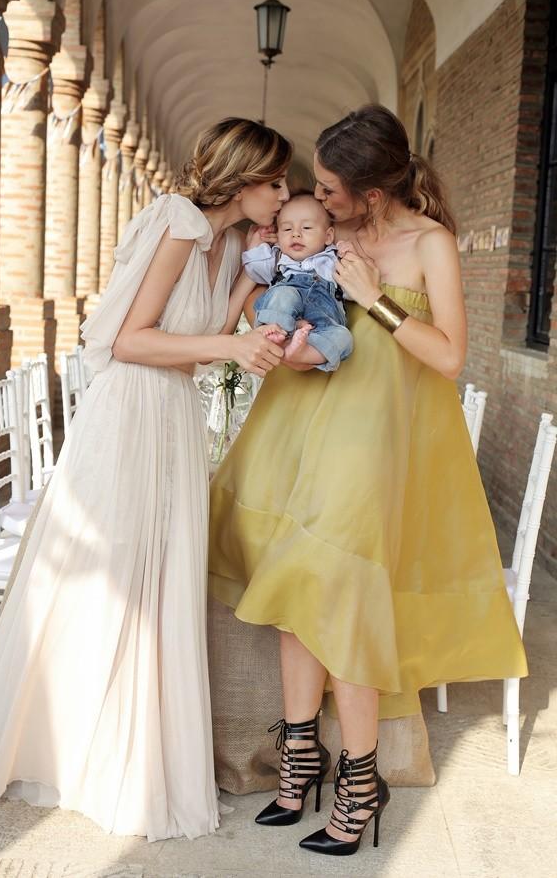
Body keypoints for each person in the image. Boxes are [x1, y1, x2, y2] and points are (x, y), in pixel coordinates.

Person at [0, 117, 290, 842]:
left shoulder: (225, 243)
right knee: (110, 574)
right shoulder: (177, 222)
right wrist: (232, 343)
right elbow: (130, 340)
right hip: (130, 413)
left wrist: (248, 277)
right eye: (275, 181)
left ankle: (131, 747)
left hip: (172, 414)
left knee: (158, 576)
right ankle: (69, 746)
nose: (283, 193)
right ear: (242, 178)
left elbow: (196, 348)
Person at [208, 104, 527, 857]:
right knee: (292, 593)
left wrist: (375, 296)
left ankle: (360, 779)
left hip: (372, 446)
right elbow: (276, 293)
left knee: (339, 599)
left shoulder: (429, 242)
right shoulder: (330, 231)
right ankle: (299, 759)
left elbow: (449, 356)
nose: (315, 196)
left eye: (328, 186)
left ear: (372, 191)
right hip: (300, 429)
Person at [242, 193, 354, 371]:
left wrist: (350, 256)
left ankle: (303, 353)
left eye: (307, 228)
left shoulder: (333, 260)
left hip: (321, 324)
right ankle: (275, 332)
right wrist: (257, 242)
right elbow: (253, 267)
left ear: (328, 236)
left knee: (343, 336)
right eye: (287, 229)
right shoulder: (278, 258)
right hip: (283, 321)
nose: (296, 234)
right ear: (278, 235)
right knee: (284, 293)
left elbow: (353, 290)